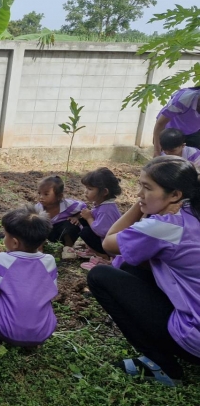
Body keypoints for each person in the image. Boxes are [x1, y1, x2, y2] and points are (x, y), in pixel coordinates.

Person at [88, 156, 200, 387]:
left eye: (147, 188)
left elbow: (108, 243)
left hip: (194, 339)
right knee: (131, 265)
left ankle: (164, 366)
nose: (139, 193)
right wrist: (150, 202)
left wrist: (139, 207)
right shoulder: (193, 211)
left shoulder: (165, 226)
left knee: (100, 276)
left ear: (175, 194)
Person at [0, 206, 58, 347]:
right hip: (42, 333)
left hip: (5, 331)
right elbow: (52, 291)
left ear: (14, 243)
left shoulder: (3, 259)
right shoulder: (49, 261)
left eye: (5, 235)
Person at [76, 168, 122, 270]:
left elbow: (101, 231)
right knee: (83, 220)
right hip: (105, 241)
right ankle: (93, 250)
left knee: (86, 232)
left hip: (110, 247)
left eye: (90, 189)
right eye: (86, 188)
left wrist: (89, 218)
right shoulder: (102, 205)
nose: (85, 192)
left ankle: (104, 257)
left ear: (104, 192)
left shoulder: (106, 210)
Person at [35, 175, 85, 247]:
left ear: (59, 196)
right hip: (48, 232)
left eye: (46, 194)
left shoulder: (68, 205)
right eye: (39, 193)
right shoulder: (38, 209)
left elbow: (84, 208)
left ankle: (68, 247)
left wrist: (76, 217)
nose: (41, 197)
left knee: (71, 225)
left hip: (62, 231)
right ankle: (41, 246)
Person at [152, 87, 200, 156]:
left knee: (192, 157)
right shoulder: (182, 100)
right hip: (170, 131)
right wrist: (157, 150)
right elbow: (160, 124)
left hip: (193, 131)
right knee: (167, 157)